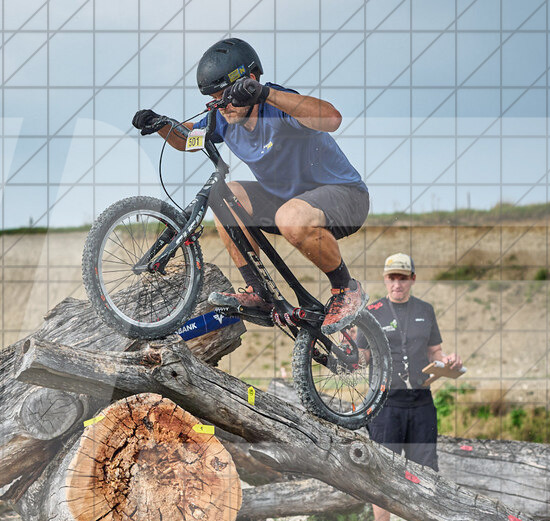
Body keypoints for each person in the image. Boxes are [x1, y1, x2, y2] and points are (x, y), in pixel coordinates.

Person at [130, 37, 370, 334]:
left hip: (347, 199)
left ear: (251, 81)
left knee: (290, 216)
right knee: (225, 195)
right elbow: (188, 139)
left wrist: (266, 93)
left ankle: (347, 289)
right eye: (215, 100)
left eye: (227, 97)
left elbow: (332, 118)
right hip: (289, 205)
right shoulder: (224, 119)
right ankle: (260, 292)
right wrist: (161, 125)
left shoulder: (278, 106)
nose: (222, 106)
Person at [363, 253, 463, 521]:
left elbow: (435, 352)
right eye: (392, 277)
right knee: (382, 474)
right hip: (385, 403)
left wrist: (450, 362)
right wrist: (348, 342)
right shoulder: (372, 311)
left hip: (421, 403)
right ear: (385, 279)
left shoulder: (425, 311)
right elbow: (361, 357)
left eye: (403, 277)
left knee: (420, 472)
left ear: (412, 280)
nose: (397, 283)